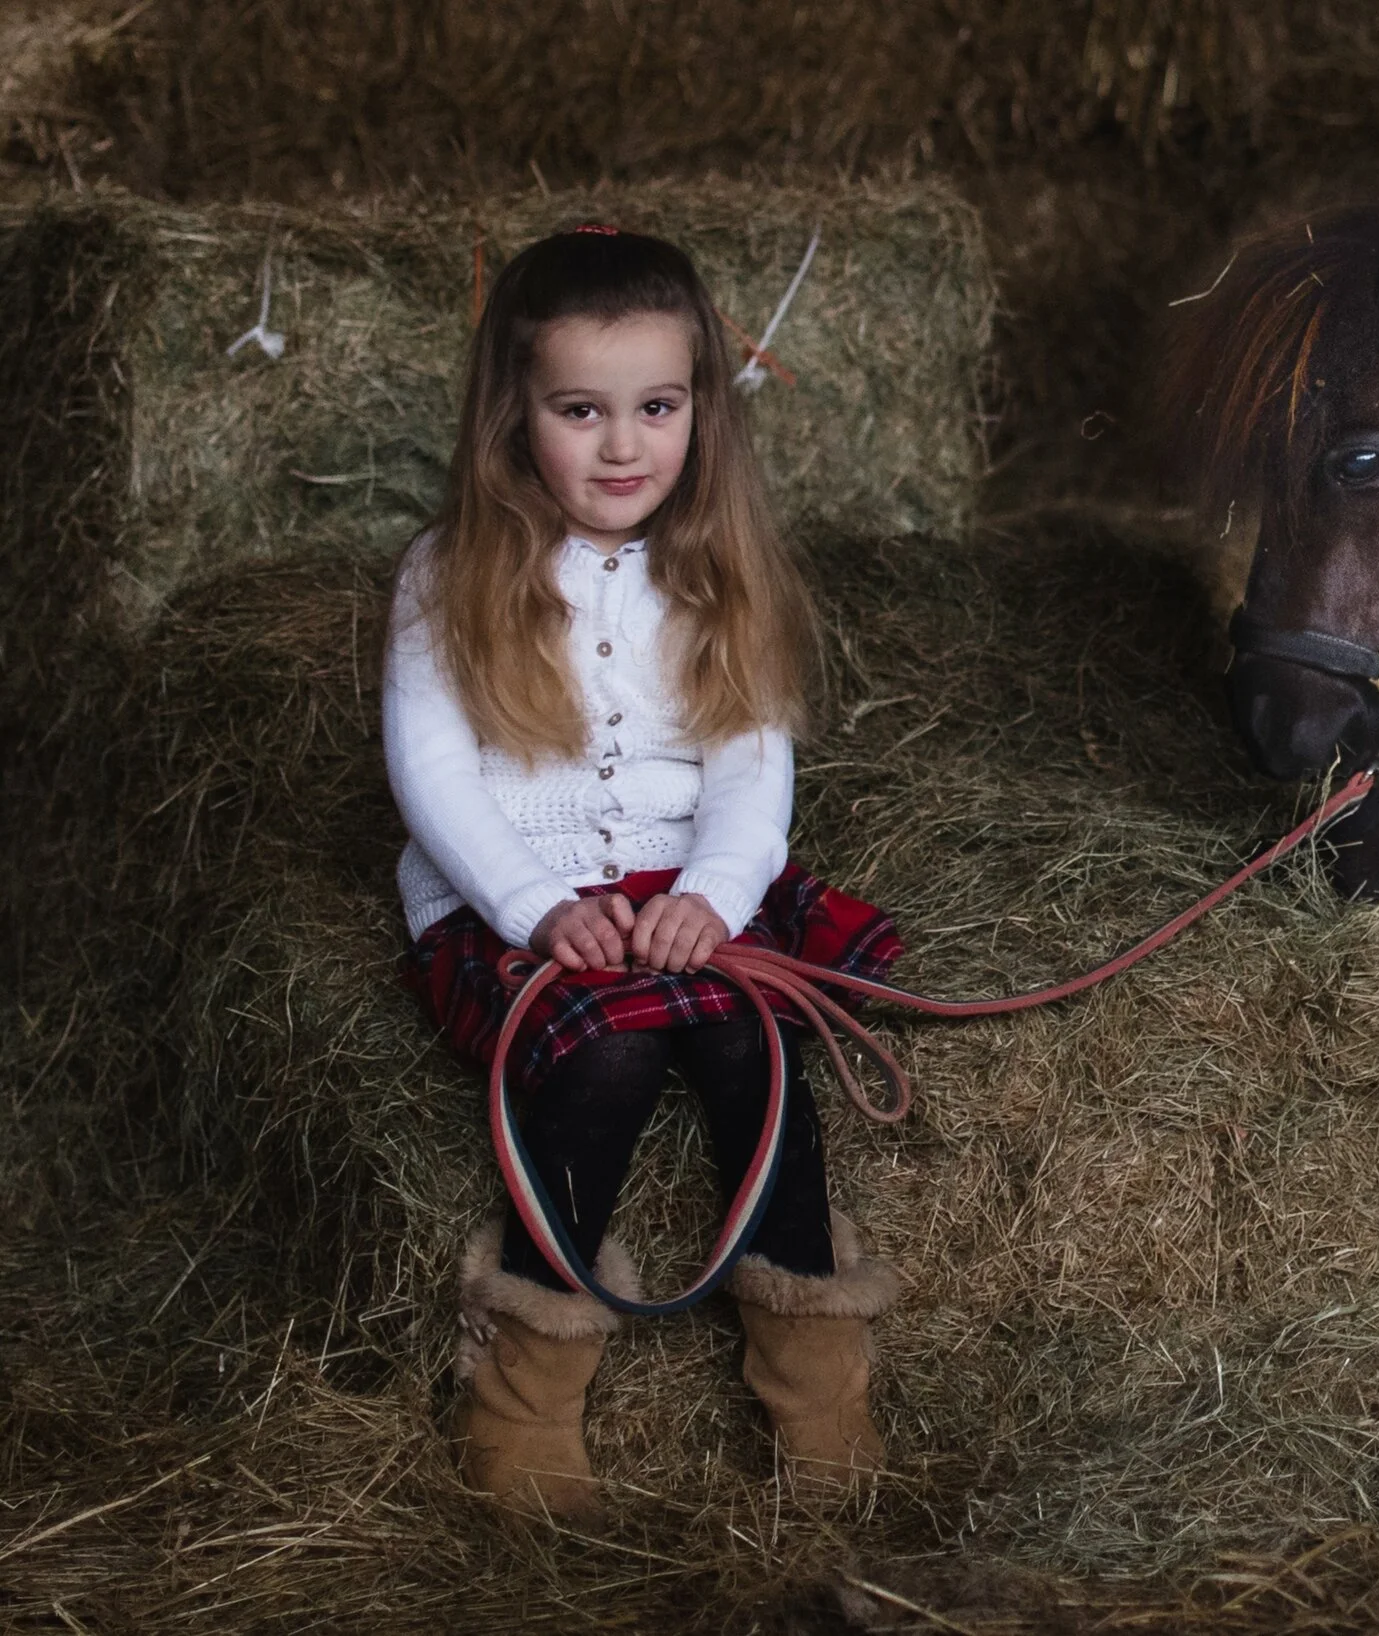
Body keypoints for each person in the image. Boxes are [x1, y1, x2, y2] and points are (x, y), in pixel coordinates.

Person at [385, 225, 901, 1521]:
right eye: (581, 411)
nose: (624, 447)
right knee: (604, 1052)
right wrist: (535, 909)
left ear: (700, 414)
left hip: (684, 886)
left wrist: (713, 902)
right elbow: (433, 773)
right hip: (519, 900)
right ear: (514, 417)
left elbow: (750, 777)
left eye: (657, 407)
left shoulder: (716, 575)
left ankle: (820, 1390)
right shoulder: (448, 576)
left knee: (753, 1037)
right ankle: (524, 1402)